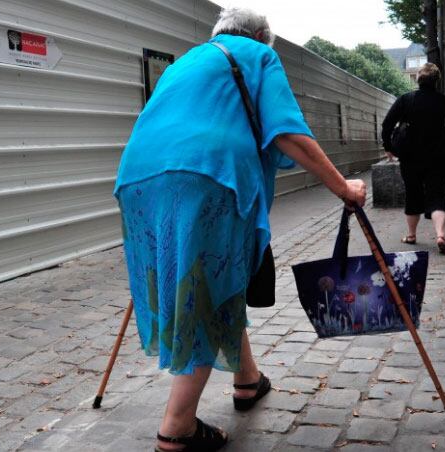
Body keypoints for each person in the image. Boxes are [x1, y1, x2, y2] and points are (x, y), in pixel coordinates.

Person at [113, 8, 367, 451]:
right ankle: (177, 427)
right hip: (205, 176)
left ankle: (247, 380)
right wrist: (342, 186)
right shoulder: (258, 55)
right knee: (205, 290)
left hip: (137, 178)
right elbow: (288, 134)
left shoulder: (189, 61)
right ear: (261, 36)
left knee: (214, 278)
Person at [381, 63, 445, 255]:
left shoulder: (406, 99)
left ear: (418, 79)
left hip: (411, 155)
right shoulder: (443, 102)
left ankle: (412, 235)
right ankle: (440, 235)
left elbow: (387, 124)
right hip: (439, 154)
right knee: (436, 194)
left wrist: (388, 147)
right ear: (436, 81)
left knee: (413, 193)